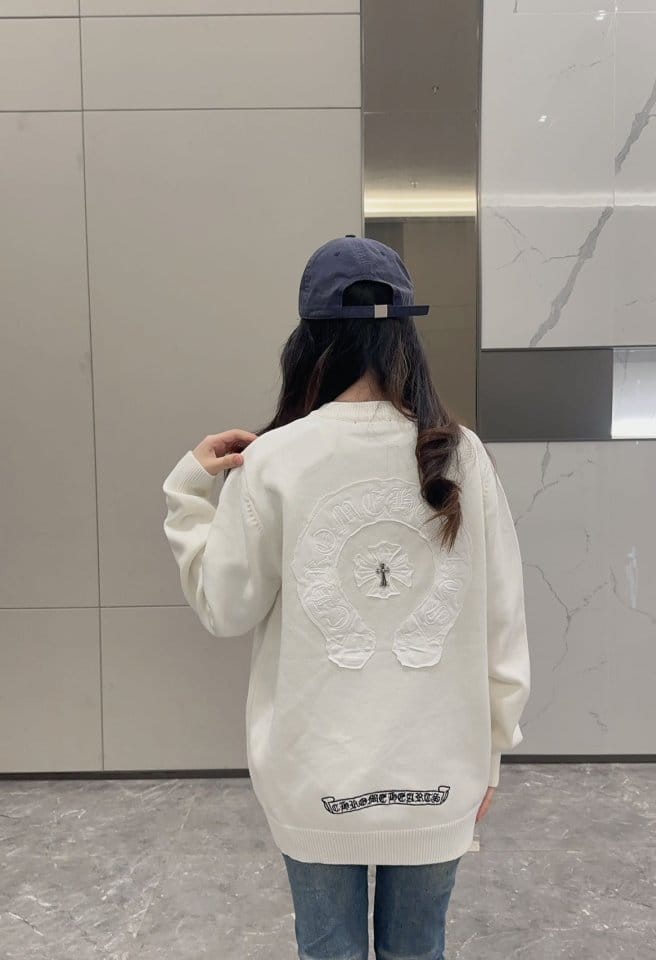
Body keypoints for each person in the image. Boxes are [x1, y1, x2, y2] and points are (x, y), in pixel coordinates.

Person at [162, 235, 531, 960]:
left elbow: (225, 607)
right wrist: (492, 751)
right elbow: (503, 622)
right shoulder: (460, 454)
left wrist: (188, 491)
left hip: (313, 776)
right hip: (439, 775)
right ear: (405, 336)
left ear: (309, 338)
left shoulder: (274, 459)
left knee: (326, 950)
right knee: (419, 949)